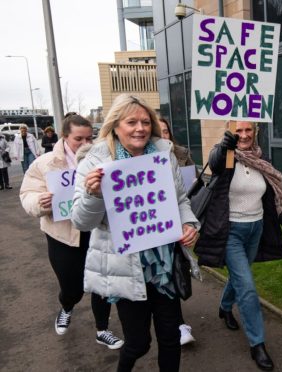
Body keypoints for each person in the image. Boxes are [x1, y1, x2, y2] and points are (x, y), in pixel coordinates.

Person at [71, 94, 200, 372]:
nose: (140, 128)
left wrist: (189, 225)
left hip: (163, 266)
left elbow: (180, 201)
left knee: (170, 338)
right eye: (131, 122)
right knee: (138, 344)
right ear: (116, 126)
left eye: (145, 121)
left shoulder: (164, 154)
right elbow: (81, 222)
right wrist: (94, 194)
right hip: (125, 268)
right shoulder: (95, 161)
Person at [194, 121, 282, 371]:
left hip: (256, 230)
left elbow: (274, 198)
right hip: (230, 231)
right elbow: (216, 159)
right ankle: (258, 344)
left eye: (248, 130)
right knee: (247, 288)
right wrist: (224, 146)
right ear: (231, 133)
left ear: (255, 133)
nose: (243, 135)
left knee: (239, 277)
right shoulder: (226, 156)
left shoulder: (261, 159)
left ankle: (223, 308)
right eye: (238, 131)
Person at [19, 113, 124, 349]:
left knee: (102, 284)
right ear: (65, 137)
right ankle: (67, 306)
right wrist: (39, 202)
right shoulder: (45, 163)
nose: (86, 144)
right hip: (63, 236)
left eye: (90, 138)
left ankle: (102, 329)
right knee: (72, 286)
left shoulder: (104, 159)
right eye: (79, 139)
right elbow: (27, 193)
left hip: (97, 231)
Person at [157, 116, 195, 346]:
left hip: (178, 220)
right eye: (158, 131)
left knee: (174, 269)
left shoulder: (180, 154)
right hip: (153, 224)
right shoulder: (141, 159)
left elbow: (191, 185)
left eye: (166, 131)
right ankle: (173, 322)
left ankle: (178, 324)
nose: (163, 135)